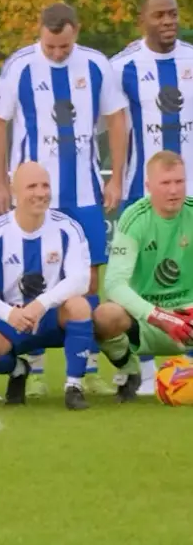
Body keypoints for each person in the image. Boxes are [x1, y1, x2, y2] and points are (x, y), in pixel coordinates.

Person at [0, 2, 128, 396]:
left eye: (64, 46)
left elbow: (117, 118)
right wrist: (0, 180)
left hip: (83, 191)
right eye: (50, 46)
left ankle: (88, 366)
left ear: (76, 32)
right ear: (40, 32)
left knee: (89, 279)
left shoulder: (96, 64)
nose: (56, 53)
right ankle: (33, 368)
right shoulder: (20, 66)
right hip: (33, 192)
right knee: (30, 274)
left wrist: (116, 177)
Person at [110, 0, 193, 393]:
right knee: (139, 277)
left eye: (172, 14)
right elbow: (109, 119)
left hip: (189, 189)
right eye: (159, 15)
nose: (168, 21)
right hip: (140, 191)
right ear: (142, 20)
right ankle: (140, 371)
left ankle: (186, 362)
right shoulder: (122, 66)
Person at [0, 162, 94, 410]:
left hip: (52, 316)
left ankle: (74, 386)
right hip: (12, 319)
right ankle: (18, 369)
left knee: (79, 306)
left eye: (45, 186)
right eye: (32, 186)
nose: (40, 193)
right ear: (14, 192)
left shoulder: (68, 227)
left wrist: (41, 304)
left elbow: (81, 280)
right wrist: (8, 313)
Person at [94, 151, 193, 401]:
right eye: (166, 183)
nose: (174, 190)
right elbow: (114, 284)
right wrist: (158, 316)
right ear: (148, 186)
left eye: (179, 182)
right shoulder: (135, 218)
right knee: (105, 316)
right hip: (147, 320)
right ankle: (130, 372)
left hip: (188, 317)